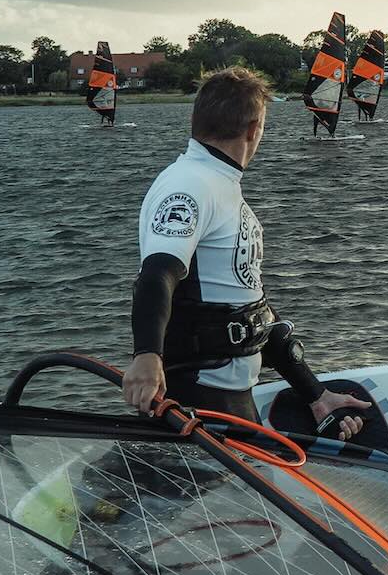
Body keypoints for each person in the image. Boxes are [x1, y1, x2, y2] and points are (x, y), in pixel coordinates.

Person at [124, 67, 371, 439]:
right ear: (255, 128)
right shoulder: (189, 185)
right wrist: (147, 356)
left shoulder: (220, 183)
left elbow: (248, 305)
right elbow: (157, 273)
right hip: (196, 398)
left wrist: (315, 394)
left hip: (232, 398)